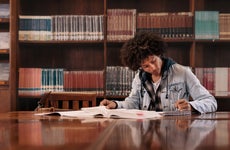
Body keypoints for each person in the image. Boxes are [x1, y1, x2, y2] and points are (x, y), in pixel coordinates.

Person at [100, 31, 217, 113]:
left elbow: (211, 102)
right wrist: (115, 104)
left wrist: (191, 106)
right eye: (146, 66)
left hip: (174, 133)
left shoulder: (183, 72)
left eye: (153, 61)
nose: (153, 68)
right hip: (146, 135)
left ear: (159, 53)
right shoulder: (139, 78)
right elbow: (133, 103)